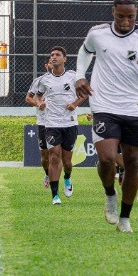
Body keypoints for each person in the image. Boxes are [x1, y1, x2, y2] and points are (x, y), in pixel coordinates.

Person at [75, 0, 138, 233]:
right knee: (107, 158)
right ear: (113, 12)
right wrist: (80, 75)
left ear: (136, 14)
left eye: (130, 16)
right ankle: (110, 194)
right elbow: (85, 51)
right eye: (121, 16)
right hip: (104, 105)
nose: (125, 22)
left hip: (135, 108)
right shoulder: (97, 33)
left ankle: (125, 218)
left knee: (133, 163)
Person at [35, 46, 85, 205]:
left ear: (65, 59)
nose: (54, 57)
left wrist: (75, 104)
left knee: (67, 161)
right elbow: (37, 95)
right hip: (51, 123)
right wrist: (40, 103)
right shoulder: (44, 79)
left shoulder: (73, 77)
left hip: (69, 123)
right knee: (54, 156)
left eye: (57, 55)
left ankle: (68, 178)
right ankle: (55, 195)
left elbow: (83, 94)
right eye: (52, 55)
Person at [26, 59, 52, 188]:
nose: (52, 64)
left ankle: (61, 178)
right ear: (46, 66)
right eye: (50, 63)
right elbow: (28, 98)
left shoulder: (66, 80)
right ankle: (47, 174)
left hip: (59, 122)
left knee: (58, 153)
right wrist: (39, 103)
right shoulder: (39, 81)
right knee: (45, 155)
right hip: (43, 122)